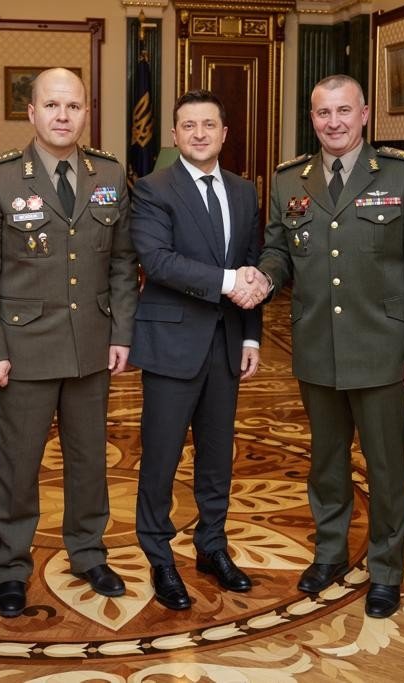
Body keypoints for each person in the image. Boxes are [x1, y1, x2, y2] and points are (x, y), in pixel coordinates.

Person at [254, 74, 404, 619]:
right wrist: (264, 277)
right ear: (312, 118)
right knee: (326, 463)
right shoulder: (290, 179)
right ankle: (330, 552)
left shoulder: (401, 174)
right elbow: (278, 250)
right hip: (317, 344)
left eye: (343, 111)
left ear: (364, 114)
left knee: (386, 468)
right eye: (322, 113)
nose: (333, 122)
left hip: (382, 346)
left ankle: (386, 569)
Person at [0, 67, 139, 618]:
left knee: (89, 460)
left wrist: (122, 332)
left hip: (91, 345)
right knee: (18, 466)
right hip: (22, 350)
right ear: (32, 112)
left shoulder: (108, 173)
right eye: (52, 105)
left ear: (86, 112)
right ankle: (11, 568)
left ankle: (88, 553)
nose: (63, 116)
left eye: (74, 106)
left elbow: (122, 261)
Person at [128, 90, 263, 611]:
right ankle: (160, 557)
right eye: (189, 125)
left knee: (216, 458)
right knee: (161, 458)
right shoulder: (153, 188)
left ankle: (212, 546)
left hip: (226, 344)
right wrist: (229, 281)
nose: (200, 133)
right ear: (175, 135)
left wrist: (250, 335)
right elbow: (158, 261)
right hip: (171, 344)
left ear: (224, 133)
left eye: (209, 124)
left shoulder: (244, 191)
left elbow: (252, 264)